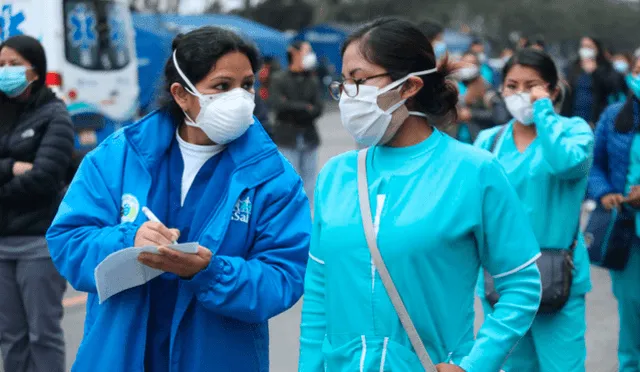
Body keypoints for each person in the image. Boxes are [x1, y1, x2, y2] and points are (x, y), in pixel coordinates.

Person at [46, 26, 311, 372]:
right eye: (221, 86)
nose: (241, 98)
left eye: (246, 85)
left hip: (217, 357)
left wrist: (210, 272)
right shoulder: (118, 157)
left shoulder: (274, 178)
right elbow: (68, 240)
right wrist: (128, 240)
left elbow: (283, 277)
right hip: (120, 355)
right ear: (181, 94)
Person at [299, 17, 542, 372]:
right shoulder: (336, 175)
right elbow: (319, 290)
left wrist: (476, 364)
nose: (348, 94)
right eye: (344, 83)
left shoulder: (474, 171)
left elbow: (520, 284)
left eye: (358, 80)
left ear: (409, 86)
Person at [475, 48, 594, 372]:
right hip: (503, 280)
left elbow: (567, 163)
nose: (520, 94)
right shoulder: (488, 141)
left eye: (532, 85)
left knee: (563, 366)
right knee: (515, 367)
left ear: (553, 90)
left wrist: (544, 111)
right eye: (512, 86)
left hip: (558, 276)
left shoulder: (574, 132)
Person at [0, 35, 73, 372]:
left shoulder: (55, 114)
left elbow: (45, 179)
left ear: (36, 69)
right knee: (11, 336)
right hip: (2, 243)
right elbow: (29, 175)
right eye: (1, 65)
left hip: (38, 242)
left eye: (14, 64)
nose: (6, 71)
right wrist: (12, 167)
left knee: (43, 334)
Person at [588, 54, 640, 372]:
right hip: (627, 231)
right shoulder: (613, 116)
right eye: (638, 69)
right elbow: (595, 165)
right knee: (631, 309)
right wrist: (605, 191)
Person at [269, 41, 323, 202]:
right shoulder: (279, 78)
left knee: (310, 183)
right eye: (307, 51)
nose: (310, 56)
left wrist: (296, 107)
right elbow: (279, 105)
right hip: (286, 137)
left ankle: (308, 218)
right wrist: (305, 107)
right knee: (289, 181)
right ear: (293, 53)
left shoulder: (312, 80)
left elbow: (318, 108)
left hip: (309, 137)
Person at [561, 36, 626, 127]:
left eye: (589, 47)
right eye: (583, 46)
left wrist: (595, 72)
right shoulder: (574, 68)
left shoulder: (605, 68)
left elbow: (612, 87)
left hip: (596, 120)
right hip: (575, 118)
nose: (585, 50)